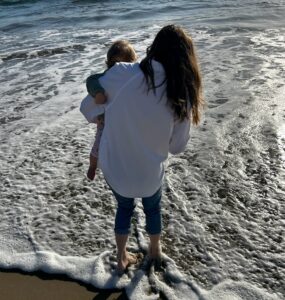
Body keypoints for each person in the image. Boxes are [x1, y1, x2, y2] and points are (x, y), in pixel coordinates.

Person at [87, 24, 204, 273]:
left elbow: (88, 109)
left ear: (155, 48)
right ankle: (154, 249)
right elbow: (177, 148)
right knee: (153, 208)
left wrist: (106, 107)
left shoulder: (121, 72)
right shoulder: (180, 91)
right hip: (149, 175)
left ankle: (121, 258)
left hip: (116, 169)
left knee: (124, 208)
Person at [85, 40, 137, 180]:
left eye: (123, 64)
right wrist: (98, 92)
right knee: (98, 146)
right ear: (108, 64)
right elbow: (91, 79)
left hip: (125, 119)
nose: (118, 68)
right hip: (105, 120)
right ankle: (92, 166)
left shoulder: (135, 78)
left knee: (124, 145)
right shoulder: (104, 78)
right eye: (114, 65)